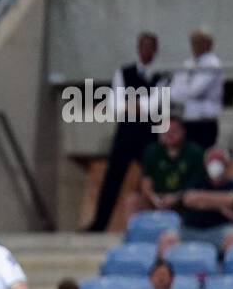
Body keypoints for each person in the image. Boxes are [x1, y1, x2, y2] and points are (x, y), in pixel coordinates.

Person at [86, 32, 161, 232]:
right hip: (126, 131)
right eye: (142, 46)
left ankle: (156, 223)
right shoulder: (124, 72)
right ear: (138, 48)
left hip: (149, 133)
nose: (146, 50)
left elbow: (155, 105)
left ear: (155, 49)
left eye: (150, 46)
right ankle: (99, 223)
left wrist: (134, 105)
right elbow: (115, 104)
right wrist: (137, 107)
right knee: (113, 178)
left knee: (153, 178)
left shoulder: (162, 75)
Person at [127, 115, 207, 226]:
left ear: (183, 132)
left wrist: (176, 197)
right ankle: (134, 234)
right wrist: (155, 199)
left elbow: (197, 184)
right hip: (158, 197)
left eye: (173, 131)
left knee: (193, 198)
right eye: (165, 131)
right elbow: (146, 183)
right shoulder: (152, 151)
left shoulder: (195, 152)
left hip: (182, 198)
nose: (169, 135)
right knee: (133, 200)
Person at [170, 147, 233, 254]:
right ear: (205, 164)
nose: (214, 164)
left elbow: (232, 199)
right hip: (191, 230)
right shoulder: (196, 182)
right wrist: (220, 206)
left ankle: (228, 269)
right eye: (211, 160)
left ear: (226, 163)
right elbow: (188, 199)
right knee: (168, 238)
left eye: (218, 160)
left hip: (221, 230)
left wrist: (200, 200)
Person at [169, 29, 222, 150]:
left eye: (200, 43)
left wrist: (183, 89)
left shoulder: (213, 64)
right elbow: (173, 92)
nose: (195, 46)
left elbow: (195, 91)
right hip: (188, 119)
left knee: (202, 156)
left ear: (209, 45)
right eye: (193, 43)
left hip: (205, 121)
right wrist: (185, 90)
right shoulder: (188, 64)